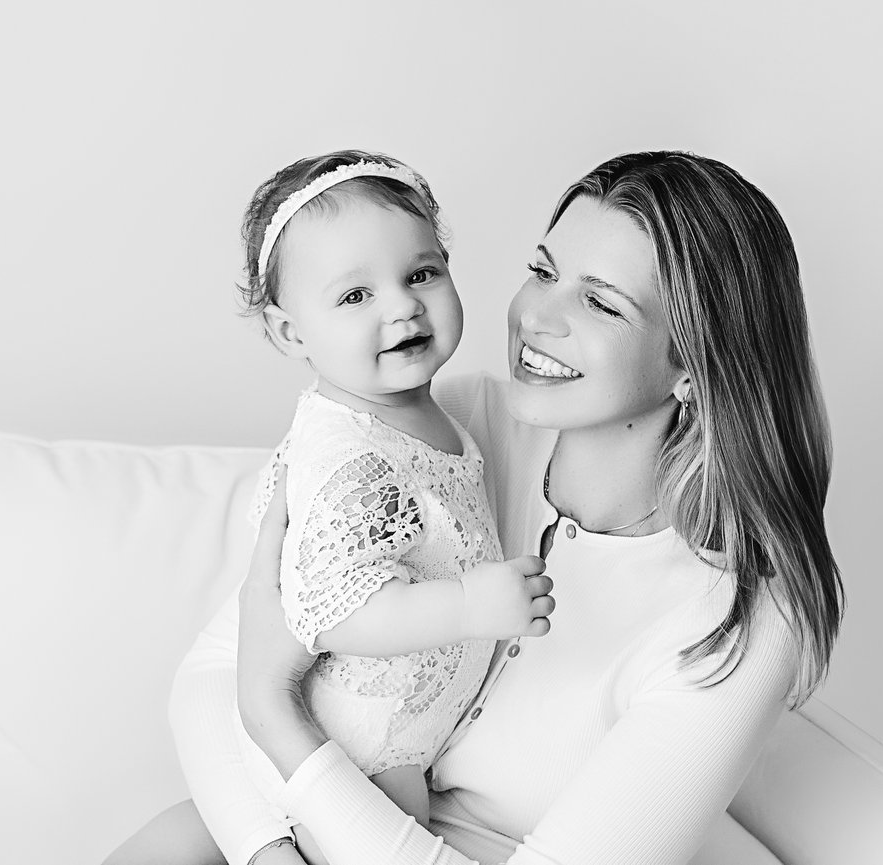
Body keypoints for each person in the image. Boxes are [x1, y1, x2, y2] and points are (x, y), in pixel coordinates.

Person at [111, 150, 843, 865]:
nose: (535, 317)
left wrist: (276, 717)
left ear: (693, 363)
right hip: (311, 820)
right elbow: (214, 672)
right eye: (543, 272)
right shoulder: (447, 432)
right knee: (170, 843)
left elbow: (256, 689)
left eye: (597, 300)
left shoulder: (738, 618)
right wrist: (261, 845)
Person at [105, 150, 555, 864]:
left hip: (384, 736)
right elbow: (335, 609)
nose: (401, 305)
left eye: (421, 273)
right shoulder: (349, 455)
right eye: (354, 296)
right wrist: (469, 604)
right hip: (353, 747)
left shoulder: (429, 415)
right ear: (290, 333)